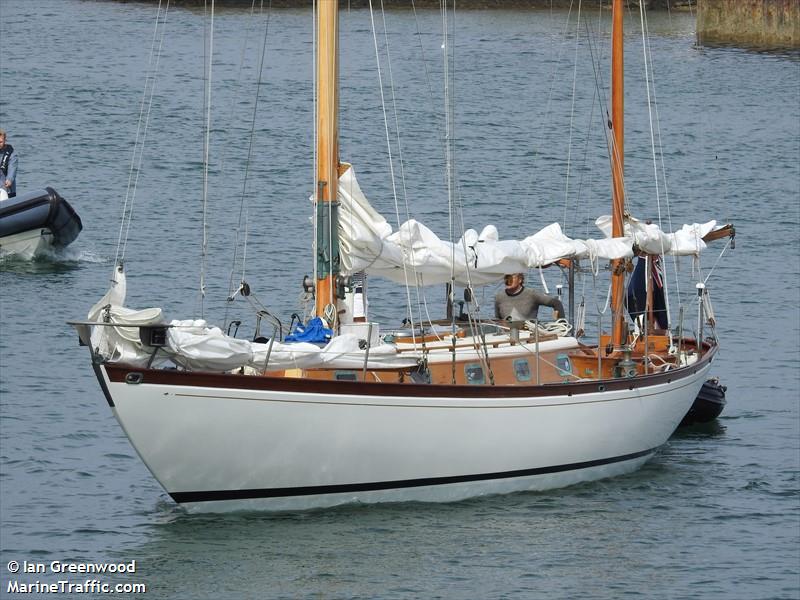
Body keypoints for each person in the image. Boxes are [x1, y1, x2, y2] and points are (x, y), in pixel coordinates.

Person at [494, 272, 565, 322]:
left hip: (529, 335)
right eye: (506, 278)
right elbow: (498, 320)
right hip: (507, 336)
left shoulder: (531, 294)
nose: (508, 281)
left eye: (511, 278)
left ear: (520, 280)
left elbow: (557, 303)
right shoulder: (499, 297)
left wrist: (561, 324)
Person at [0, 130, 18, 199]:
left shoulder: (11, 154)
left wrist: (9, 179)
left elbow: (12, 168)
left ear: (5, 140)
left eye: (0, 142)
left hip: (7, 189)